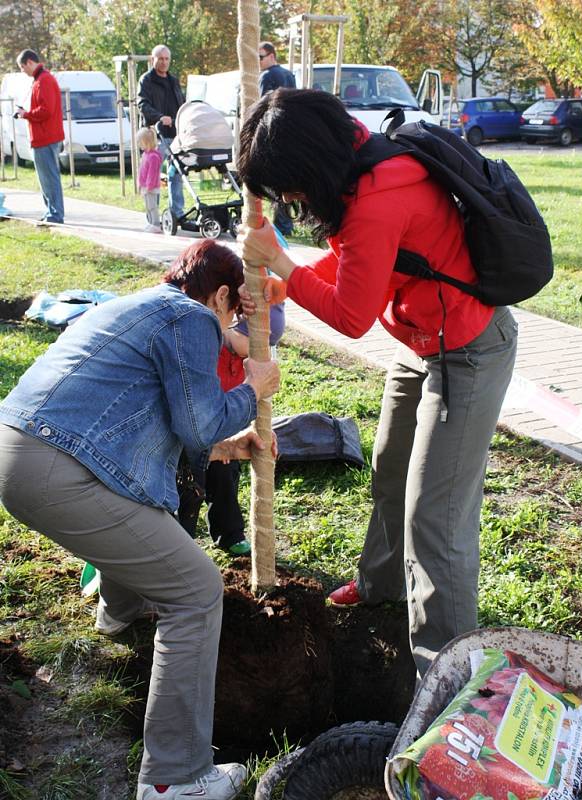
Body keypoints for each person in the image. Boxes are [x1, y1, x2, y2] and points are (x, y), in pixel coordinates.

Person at [237, 88, 518, 680]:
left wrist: (285, 266)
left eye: (287, 186)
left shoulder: (377, 197)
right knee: (390, 470)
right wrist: (296, 280)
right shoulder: (360, 162)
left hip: (467, 352)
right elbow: (361, 262)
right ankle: (381, 586)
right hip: (422, 341)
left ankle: (443, 676)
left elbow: (350, 316)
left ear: (309, 164)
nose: (286, 199)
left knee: (434, 518)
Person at [0, 239, 280, 800]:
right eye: (232, 311)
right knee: (197, 590)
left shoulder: (131, 306)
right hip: (58, 466)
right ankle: (175, 779)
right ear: (221, 294)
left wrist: (230, 449)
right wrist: (253, 389)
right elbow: (199, 422)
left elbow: (152, 424)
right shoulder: (191, 317)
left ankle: (118, 616)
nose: (229, 325)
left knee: (144, 511)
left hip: (26, 451)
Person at [178, 301, 286, 555]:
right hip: (198, 436)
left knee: (226, 483)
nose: (262, 352)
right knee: (190, 488)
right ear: (230, 328)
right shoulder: (208, 353)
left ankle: (229, 533)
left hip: (228, 433)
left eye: (269, 346)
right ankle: (181, 541)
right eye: (255, 341)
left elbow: (249, 400)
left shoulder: (248, 361)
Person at [15, 49, 64, 224]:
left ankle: (56, 214)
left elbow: (46, 110)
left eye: (22, 67)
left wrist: (26, 114)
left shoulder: (44, 80)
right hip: (41, 137)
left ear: (29, 62)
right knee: (45, 178)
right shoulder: (39, 80)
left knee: (49, 177)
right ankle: (51, 211)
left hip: (46, 137)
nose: (23, 71)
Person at [137, 45, 185, 223]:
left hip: (175, 135)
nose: (164, 62)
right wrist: (159, 117)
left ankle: (177, 213)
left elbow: (181, 102)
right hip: (156, 135)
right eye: (160, 59)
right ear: (153, 60)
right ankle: (153, 216)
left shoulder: (173, 80)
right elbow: (142, 104)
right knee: (153, 176)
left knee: (177, 173)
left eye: (167, 59)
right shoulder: (146, 80)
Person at [258, 42, 296, 237]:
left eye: (260, 57)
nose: (258, 62)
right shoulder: (289, 75)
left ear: (271, 56)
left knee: (275, 180)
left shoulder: (266, 76)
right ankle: (287, 223)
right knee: (289, 180)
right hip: (292, 132)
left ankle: (281, 224)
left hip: (274, 133)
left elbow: (261, 106)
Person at [137, 126, 163, 233]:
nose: (139, 144)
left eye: (140, 142)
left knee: (152, 206)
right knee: (148, 206)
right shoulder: (145, 155)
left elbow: (152, 174)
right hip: (145, 186)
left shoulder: (153, 157)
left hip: (151, 187)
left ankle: (156, 224)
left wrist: (149, 186)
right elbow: (142, 171)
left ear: (145, 142)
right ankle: (151, 223)